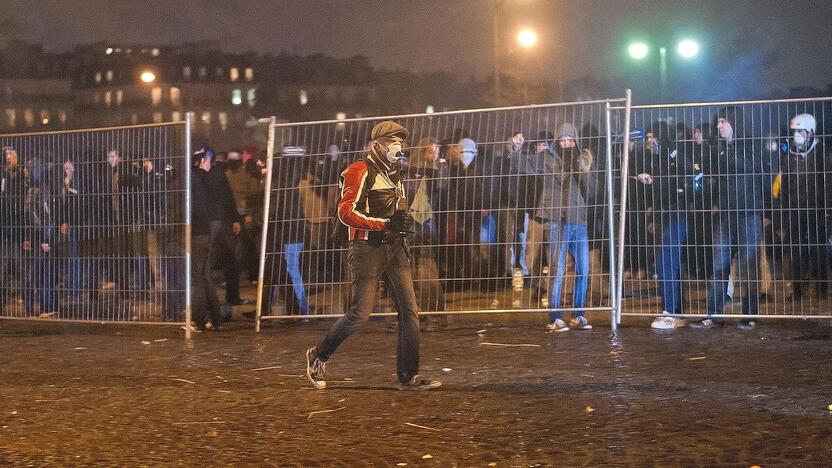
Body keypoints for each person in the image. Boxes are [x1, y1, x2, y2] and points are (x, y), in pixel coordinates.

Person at [305, 121, 441, 391]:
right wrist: (384, 224)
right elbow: (346, 213)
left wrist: (402, 224)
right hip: (366, 249)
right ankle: (318, 355)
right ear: (377, 143)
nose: (398, 145)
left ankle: (409, 376)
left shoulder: (395, 172)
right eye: (392, 139)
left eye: (400, 140)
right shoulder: (358, 170)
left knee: (409, 311)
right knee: (359, 314)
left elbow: (396, 210)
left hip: (395, 249)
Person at [690, 106, 768, 330]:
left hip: (749, 214)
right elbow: (711, 174)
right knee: (719, 266)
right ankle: (713, 314)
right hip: (726, 214)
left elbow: (750, 166)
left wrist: (725, 152)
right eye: (718, 122)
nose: (718, 126)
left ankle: (750, 315)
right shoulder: (718, 147)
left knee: (748, 267)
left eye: (723, 121)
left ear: (733, 122)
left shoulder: (751, 144)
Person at [633, 123, 698, 329]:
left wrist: (658, 179)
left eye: (653, 136)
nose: (650, 140)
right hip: (661, 215)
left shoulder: (673, 154)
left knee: (667, 263)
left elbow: (690, 175)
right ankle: (675, 310)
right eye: (648, 137)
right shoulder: (651, 159)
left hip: (677, 213)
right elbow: (651, 191)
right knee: (665, 264)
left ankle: (670, 311)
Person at [543, 124, 597, 332]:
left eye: (570, 140)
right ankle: (554, 317)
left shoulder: (581, 160)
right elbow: (557, 177)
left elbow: (592, 192)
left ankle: (578, 313)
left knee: (583, 269)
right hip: (558, 219)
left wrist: (586, 170)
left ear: (576, 142)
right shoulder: (550, 159)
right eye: (562, 140)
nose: (566, 144)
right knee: (557, 270)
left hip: (579, 221)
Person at [780, 113, 830, 301]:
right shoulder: (790, 156)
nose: (796, 135)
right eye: (794, 131)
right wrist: (783, 213)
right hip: (795, 209)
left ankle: (821, 288)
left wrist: (827, 212)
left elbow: (827, 184)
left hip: (817, 209)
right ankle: (798, 290)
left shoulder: (821, 154)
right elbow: (784, 186)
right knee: (796, 251)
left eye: (800, 131)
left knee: (818, 251)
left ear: (810, 132)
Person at [189, 149, 225, 331]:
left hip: (197, 231)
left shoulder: (194, 179)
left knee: (197, 278)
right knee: (205, 276)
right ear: (202, 161)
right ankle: (216, 319)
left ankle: (198, 321)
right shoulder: (207, 179)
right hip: (207, 229)